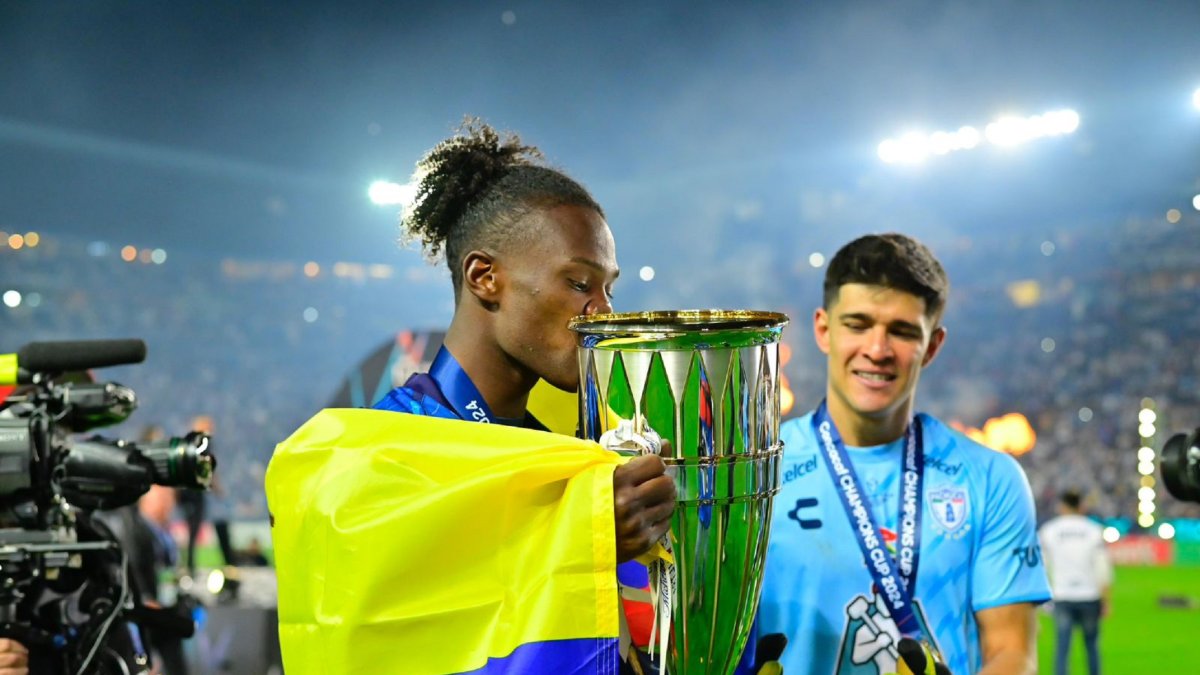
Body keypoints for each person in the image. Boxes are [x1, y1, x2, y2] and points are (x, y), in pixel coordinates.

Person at [269, 119, 675, 675]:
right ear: (485, 277)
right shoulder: (374, 463)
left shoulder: (576, 459)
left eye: (609, 288)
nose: (603, 313)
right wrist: (582, 537)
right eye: (580, 284)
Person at [751, 233, 1051, 675]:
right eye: (858, 324)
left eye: (902, 331)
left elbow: (1012, 653)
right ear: (823, 329)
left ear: (932, 346)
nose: (877, 350)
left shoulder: (989, 477)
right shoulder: (758, 474)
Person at [1038, 489, 1112, 675]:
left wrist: (1043, 599)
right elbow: (1102, 569)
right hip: (1090, 596)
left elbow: (1042, 567)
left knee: (1062, 648)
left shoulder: (1049, 531)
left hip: (1062, 596)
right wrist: (1106, 599)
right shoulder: (1093, 530)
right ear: (1081, 506)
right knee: (1092, 647)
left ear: (1062, 506)